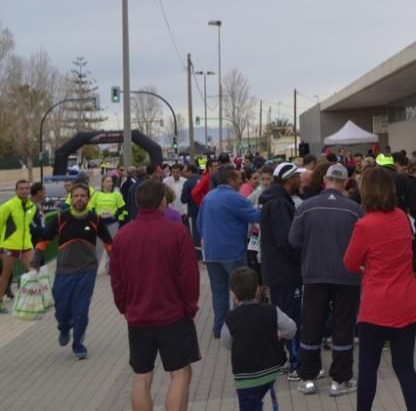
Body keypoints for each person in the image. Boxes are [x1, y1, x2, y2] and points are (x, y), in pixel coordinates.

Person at [344, 165, 416, 410]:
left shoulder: (364, 225)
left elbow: (350, 263)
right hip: (408, 301)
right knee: (405, 367)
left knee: (368, 369)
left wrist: (366, 265)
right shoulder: (401, 217)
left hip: (378, 306)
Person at [111, 179, 200, 411]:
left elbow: (117, 280)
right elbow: (189, 277)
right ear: (163, 201)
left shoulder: (122, 236)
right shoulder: (178, 232)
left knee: (141, 376)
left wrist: (125, 307)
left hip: (138, 316)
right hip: (173, 315)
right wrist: (190, 308)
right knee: (180, 374)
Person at [288, 161, 363, 397]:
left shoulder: (306, 207)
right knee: (343, 327)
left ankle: (308, 378)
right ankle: (339, 381)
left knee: (311, 325)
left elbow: (294, 240)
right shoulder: (354, 210)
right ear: (345, 183)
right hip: (347, 277)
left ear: (324, 181)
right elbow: (362, 244)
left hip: (314, 275)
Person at [32, 180, 114, 358]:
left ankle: (78, 344)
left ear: (88, 198)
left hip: (87, 271)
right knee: (61, 309)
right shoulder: (61, 218)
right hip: (64, 271)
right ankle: (63, 327)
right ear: (71, 198)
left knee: (81, 310)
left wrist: (116, 263)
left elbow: (108, 242)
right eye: (76, 196)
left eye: (82, 196)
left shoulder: (95, 219)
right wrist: (36, 258)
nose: (79, 199)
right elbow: (44, 240)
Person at [197, 164, 262, 338]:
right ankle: (238, 328)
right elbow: (257, 216)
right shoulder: (235, 198)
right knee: (241, 291)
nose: (241, 181)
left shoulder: (208, 197)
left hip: (211, 253)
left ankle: (219, 328)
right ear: (231, 180)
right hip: (232, 252)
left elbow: (199, 224)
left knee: (219, 293)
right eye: (239, 178)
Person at [222, 267, 297, 411]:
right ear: (257, 290)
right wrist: (278, 335)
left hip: (245, 377)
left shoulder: (231, 318)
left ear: (234, 295)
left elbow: (227, 342)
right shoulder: (271, 310)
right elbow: (291, 329)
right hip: (270, 371)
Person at [258, 161, 303, 378]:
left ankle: (288, 359)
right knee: (291, 319)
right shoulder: (279, 204)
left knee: (283, 317)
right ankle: (297, 362)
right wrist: (301, 257)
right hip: (285, 272)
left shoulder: (275, 201)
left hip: (276, 272)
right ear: (288, 179)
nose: (300, 180)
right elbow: (285, 241)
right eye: (296, 177)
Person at [0, 179, 37, 312]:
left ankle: (32, 298)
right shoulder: (8, 206)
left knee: (34, 270)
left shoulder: (32, 207)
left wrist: (30, 242)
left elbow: (26, 227)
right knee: (6, 274)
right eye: (21, 188)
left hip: (26, 245)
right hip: (9, 245)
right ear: (16, 191)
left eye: (26, 188)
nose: (24, 190)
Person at [379, 153, 416, 243]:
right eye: (404, 169)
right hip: (401, 232)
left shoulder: (369, 181)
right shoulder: (404, 180)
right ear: (395, 164)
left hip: (376, 234)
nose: (406, 172)